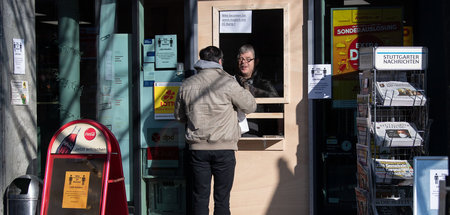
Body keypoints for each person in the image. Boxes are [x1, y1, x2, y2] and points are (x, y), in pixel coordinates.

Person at [174, 46, 256, 215]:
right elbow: (250, 106)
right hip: (224, 149)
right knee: (222, 199)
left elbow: (179, 117)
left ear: (201, 61)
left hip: (198, 150)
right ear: (220, 62)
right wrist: (245, 88)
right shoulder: (228, 83)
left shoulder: (187, 85)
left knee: (200, 198)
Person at [235, 44, 282, 136]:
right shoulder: (231, 81)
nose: (244, 62)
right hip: (235, 130)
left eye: (248, 59)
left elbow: (278, 105)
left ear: (256, 61)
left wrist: (257, 91)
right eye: (241, 59)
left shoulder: (263, 83)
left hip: (259, 129)